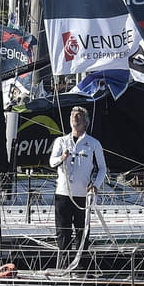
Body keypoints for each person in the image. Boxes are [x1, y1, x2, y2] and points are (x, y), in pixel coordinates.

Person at [49, 106, 107, 257]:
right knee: (63, 233)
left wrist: (95, 185)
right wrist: (62, 158)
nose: (75, 117)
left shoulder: (93, 143)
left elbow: (102, 168)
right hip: (63, 193)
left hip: (83, 195)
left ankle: (82, 267)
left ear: (85, 122)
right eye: (73, 115)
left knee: (82, 233)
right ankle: (63, 266)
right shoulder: (61, 141)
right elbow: (52, 162)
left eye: (79, 116)